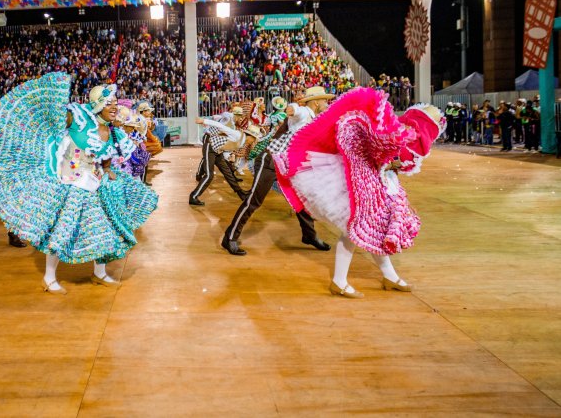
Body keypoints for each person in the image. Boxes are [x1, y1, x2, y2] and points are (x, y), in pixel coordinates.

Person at [0, 73, 158, 295]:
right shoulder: (79, 117)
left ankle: (99, 273)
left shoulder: (112, 132)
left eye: (115, 103)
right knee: (62, 230)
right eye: (109, 103)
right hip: (69, 184)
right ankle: (49, 277)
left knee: (102, 229)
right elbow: (53, 119)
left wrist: (108, 170)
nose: (114, 107)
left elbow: (107, 155)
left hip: (94, 185)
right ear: (98, 104)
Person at [278, 91, 444, 298]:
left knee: (373, 230)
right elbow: (372, 152)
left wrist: (391, 165)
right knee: (355, 231)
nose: (325, 102)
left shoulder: (396, 133)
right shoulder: (305, 112)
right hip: (360, 181)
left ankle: (389, 276)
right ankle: (339, 281)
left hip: (377, 183)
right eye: (321, 99)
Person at [221, 86, 335, 256]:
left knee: (301, 200)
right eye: (325, 100)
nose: (327, 103)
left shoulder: (314, 119)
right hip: (271, 162)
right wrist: (291, 108)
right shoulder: (304, 111)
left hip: (288, 166)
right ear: (316, 102)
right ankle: (229, 237)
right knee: (254, 201)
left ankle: (309, 235)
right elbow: (295, 109)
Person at [189, 107, 251, 206]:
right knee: (209, 175)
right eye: (239, 116)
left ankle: (240, 193)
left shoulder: (236, 129)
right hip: (210, 143)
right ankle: (193, 196)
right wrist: (203, 120)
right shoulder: (230, 120)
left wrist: (228, 156)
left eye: (241, 116)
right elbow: (220, 123)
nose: (240, 119)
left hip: (217, 148)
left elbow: (227, 143)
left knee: (228, 172)